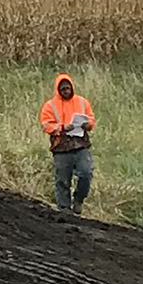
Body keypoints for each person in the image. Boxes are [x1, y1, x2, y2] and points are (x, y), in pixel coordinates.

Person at [38, 71, 97, 215]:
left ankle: (78, 199)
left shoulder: (82, 102)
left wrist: (88, 125)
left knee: (86, 173)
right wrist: (62, 127)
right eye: (63, 89)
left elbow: (91, 119)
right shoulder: (50, 106)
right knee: (62, 180)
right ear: (58, 90)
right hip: (61, 147)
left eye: (68, 88)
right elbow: (46, 125)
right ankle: (64, 211)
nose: (66, 91)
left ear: (72, 87)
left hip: (81, 144)